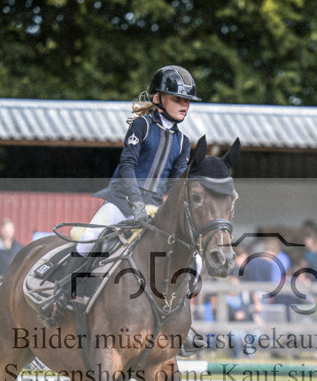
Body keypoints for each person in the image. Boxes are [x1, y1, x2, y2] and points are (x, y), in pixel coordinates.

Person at [35, 65, 202, 320]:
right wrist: (135, 202)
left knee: (195, 261)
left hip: (154, 209)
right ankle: (59, 295)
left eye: (187, 100)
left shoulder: (183, 142)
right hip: (122, 202)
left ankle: (178, 318)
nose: (184, 105)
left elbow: (174, 186)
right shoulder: (142, 126)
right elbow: (127, 166)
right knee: (89, 239)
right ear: (158, 98)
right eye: (177, 98)